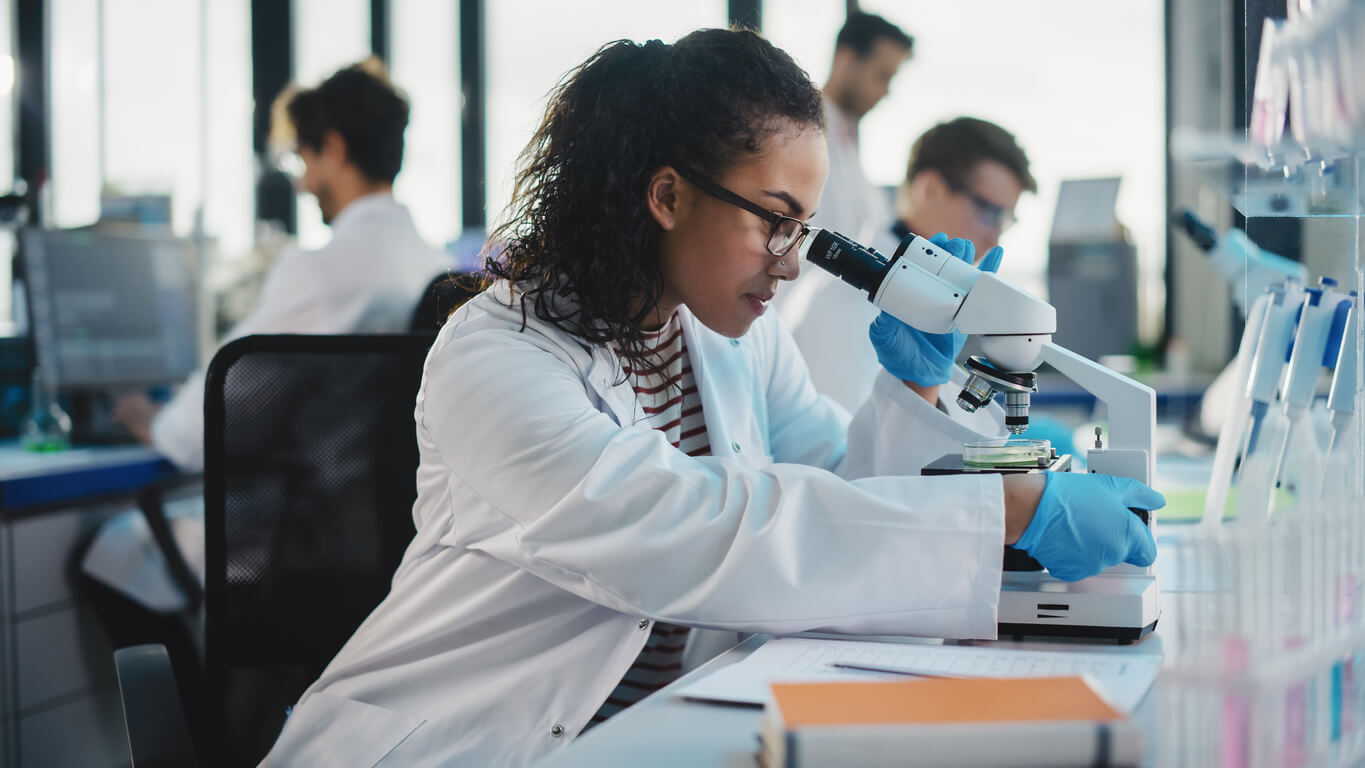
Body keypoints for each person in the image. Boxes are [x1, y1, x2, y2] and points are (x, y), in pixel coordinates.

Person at [262, 30, 1161, 767]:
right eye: (774, 219)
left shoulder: (729, 337)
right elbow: (689, 531)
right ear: (666, 195)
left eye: (804, 229)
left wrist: (917, 388)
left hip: (657, 728)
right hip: (455, 748)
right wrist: (999, 509)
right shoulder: (496, 358)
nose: (792, 258)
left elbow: (834, 479)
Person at [111, 59, 448, 471]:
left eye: (305, 159)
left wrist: (152, 422)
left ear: (335, 148)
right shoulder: (436, 267)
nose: (302, 184)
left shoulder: (320, 272)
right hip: (388, 518)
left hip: (302, 522)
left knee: (118, 537)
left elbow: (208, 427)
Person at [772, 11, 912, 408]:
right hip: (797, 336)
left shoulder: (846, 143)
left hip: (831, 341)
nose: (886, 91)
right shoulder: (803, 139)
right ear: (847, 59)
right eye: (882, 75)